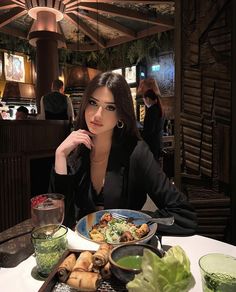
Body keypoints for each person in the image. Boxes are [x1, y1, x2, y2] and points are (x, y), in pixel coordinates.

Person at [49, 72, 197, 235]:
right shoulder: (76, 151)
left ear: (121, 114)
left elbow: (184, 215)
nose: (97, 115)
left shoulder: (136, 152)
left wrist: (133, 224)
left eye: (110, 107)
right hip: (82, 255)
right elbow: (59, 223)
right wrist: (60, 155)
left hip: (123, 254)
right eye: (93, 102)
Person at [142, 89, 164, 160]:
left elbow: (149, 130)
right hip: (157, 143)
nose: (144, 103)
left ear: (147, 99)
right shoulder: (158, 109)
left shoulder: (152, 110)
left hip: (151, 145)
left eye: (144, 100)